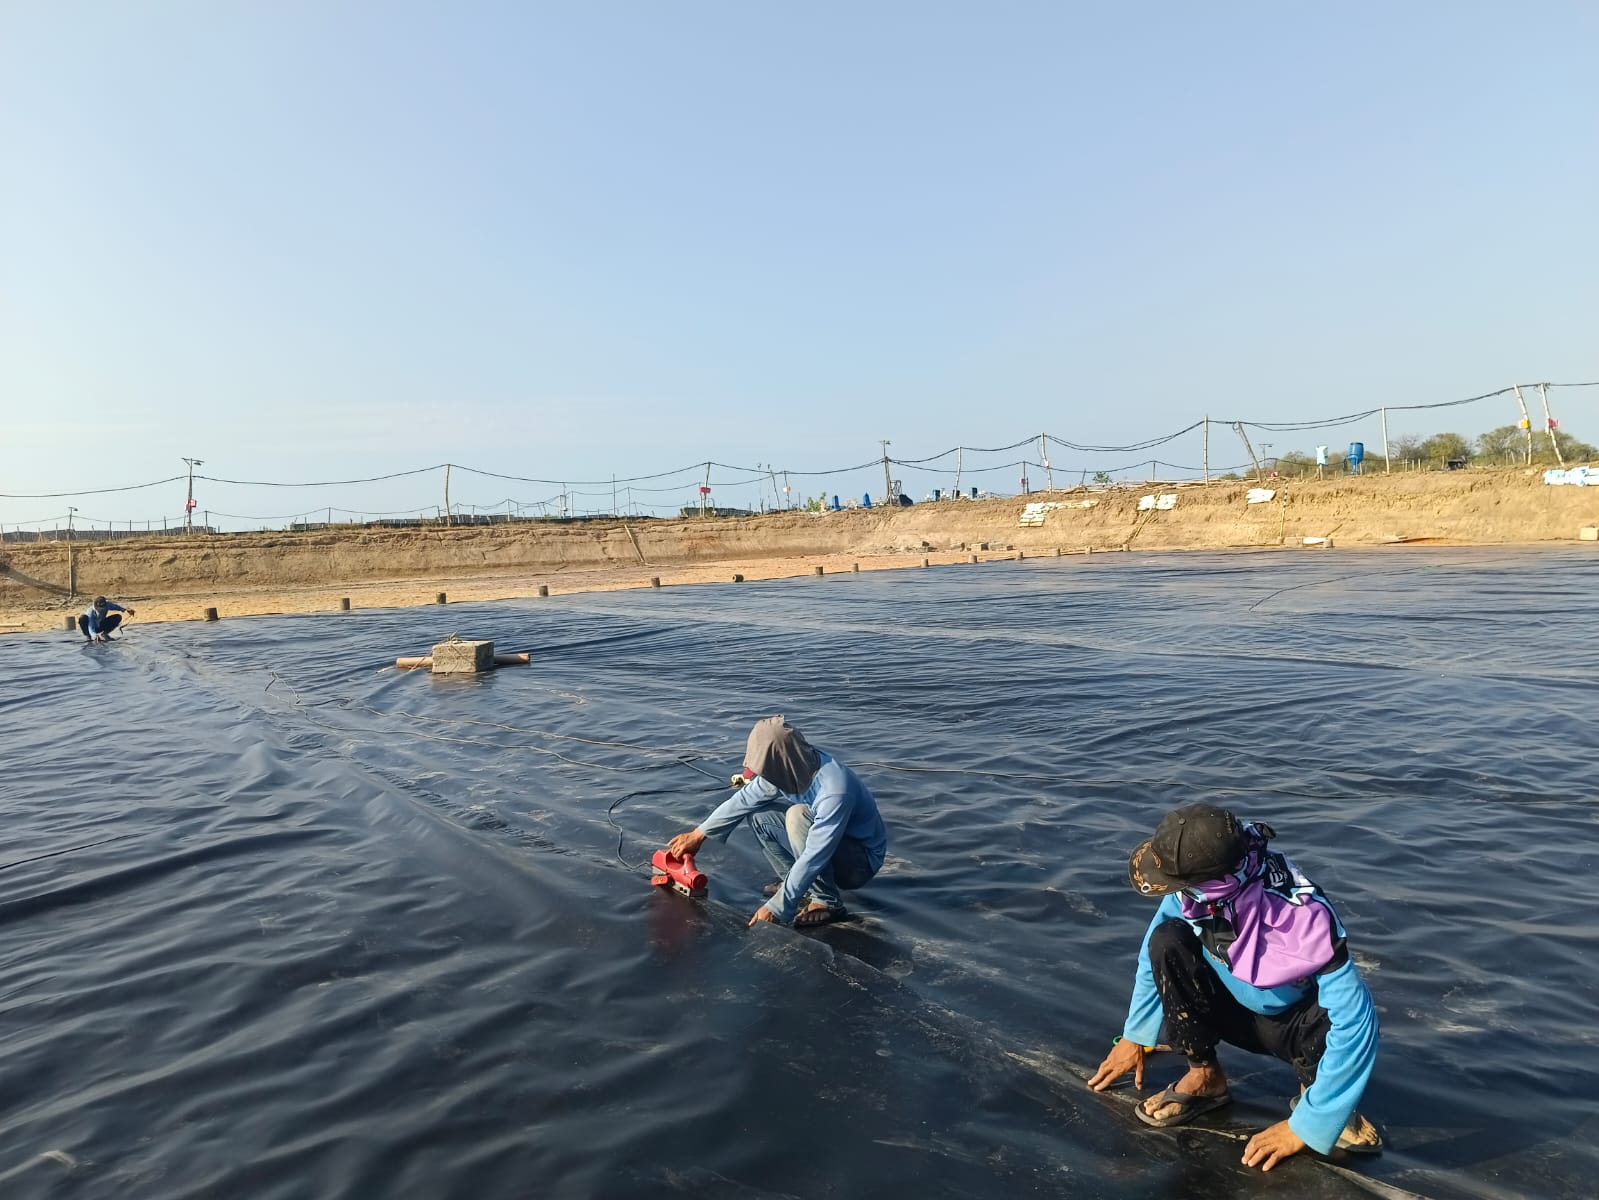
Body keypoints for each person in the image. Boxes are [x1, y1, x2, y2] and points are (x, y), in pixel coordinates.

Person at [1088, 803, 1380, 1172]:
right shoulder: (1199, 889)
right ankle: (1205, 1075)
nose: (1177, 892)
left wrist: (1307, 1126)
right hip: (1235, 1006)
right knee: (1167, 940)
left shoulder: (1303, 918)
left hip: (1294, 1028)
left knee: (1330, 1015)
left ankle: (1316, 1098)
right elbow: (1155, 953)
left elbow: (1357, 1023)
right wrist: (1134, 1035)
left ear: (1214, 877)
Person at [667, 716, 887, 929]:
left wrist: (779, 907)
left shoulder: (834, 791)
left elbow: (814, 855)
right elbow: (743, 800)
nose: (763, 776)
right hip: (830, 847)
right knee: (759, 817)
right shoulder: (787, 769)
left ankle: (827, 901)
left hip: (860, 862)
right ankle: (802, 887)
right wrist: (698, 834)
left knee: (797, 816)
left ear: (781, 763)